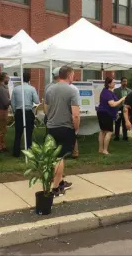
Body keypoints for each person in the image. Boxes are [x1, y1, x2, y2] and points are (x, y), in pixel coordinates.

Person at [45, 66, 79, 197]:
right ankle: (55, 188)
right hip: (65, 127)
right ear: (69, 75)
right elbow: (75, 114)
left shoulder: (49, 89)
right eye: (73, 75)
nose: (73, 77)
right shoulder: (72, 91)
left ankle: (60, 182)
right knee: (60, 158)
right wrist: (76, 128)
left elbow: (46, 109)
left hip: (51, 127)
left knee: (56, 157)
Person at [11, 72, 39, 156]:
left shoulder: (16, 89)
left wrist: (15, 111)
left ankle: (16, 152)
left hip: (19, 112)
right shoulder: (32, 88)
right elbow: (36, 101)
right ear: (29, 79)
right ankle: (29, 151)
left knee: (18, 133)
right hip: (28, 112)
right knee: (28, 133)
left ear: (21, 78)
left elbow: (12, 103)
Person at [97, 77, 127, 155]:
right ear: (109, 84)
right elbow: (112, 104)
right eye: (113, 82)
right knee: (109, 132)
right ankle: (105, 150)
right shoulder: (107, 92)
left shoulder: (108, 92)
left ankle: (100, 149)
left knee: (103, 131)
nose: (115, 84)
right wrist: (122, 99)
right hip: (106, 113)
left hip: (102, 112)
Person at [0, 72, 11, 153]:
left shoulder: (1, 88)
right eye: (7, 78)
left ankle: (2, 145)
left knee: (3, 129)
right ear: (4, 78)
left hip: (2, 110)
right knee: (2, 130)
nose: (8, 79)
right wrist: (13, 100)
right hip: (2, 111)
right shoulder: (1, 89)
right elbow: (6, 102)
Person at [113, 77, 131, 141]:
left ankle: (125, 136)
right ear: (121, 82)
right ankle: (116, 136)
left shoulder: (129, 91)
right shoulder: (116, 90)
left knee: (125, 122)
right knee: (117, 122)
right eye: (123, 81)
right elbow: (114, 100)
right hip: (118, 109)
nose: (125, 83)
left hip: (126, 109)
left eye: (126, 81)